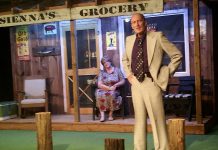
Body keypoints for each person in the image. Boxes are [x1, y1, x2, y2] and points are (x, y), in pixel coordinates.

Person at [122, 13, 182, 150]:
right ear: (131, 25)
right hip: (136, 84)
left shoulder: (157, 36)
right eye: (133, 22)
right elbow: (124, 59)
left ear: (145, 22)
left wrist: (165, 73)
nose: (137, 24)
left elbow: (177, 55)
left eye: (139, 21)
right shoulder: (129, 40)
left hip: (152, 83)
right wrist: (129, 75)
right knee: (139, 121)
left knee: (157, 120)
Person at [96, 55, 125, 122]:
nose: (106, 64)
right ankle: (102, 115)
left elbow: (123, 80)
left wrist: (116, 84)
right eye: (104, 63)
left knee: (111, 94)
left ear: (110, 62)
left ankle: (110, 114)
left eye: (107, 62)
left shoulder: (117, 70)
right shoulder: (102, 72)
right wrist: (108, 88)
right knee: (99, 94)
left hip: (115, 89)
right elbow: (99, 84)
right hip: (105, 88)